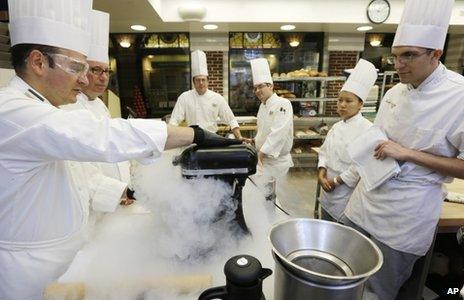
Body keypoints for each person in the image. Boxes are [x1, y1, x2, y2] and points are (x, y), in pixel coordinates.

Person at [0, 1, 239, 298]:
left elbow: (79, 176)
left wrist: (127, 192)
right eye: (77, 68)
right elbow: (101, 136)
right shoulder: (11, 111)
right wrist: (195, 133)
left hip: (70, 261)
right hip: (30, 275)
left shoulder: (45, 108)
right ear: (38, 62)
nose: (86, 79)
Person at [342, 0, 464, 299]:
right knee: (342, 276)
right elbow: (378, 140)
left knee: (374, 292)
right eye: (395, 56)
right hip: (364, 204)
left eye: (408, 55)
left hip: (404, 219)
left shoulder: (459, 96)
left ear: (436, 54)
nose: (398, 65)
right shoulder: (395, 92)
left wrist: (408, 153)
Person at [61, 10, 134, 209]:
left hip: (114, 203)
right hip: (93, 208)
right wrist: (119, 191)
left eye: (106, 71)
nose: (103, 77)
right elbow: (79, 171)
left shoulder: (100, 103)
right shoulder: (68, 107)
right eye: (96, 70)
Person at [317, 59, 376, 222]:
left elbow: (360, 166)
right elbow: (324, 153)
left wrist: (335, 181)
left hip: (346, 195)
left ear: (360, 104)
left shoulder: (367, 129)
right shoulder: (336, 126)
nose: (342, 105)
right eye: (339, 100)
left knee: (341, 238)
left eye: (348, 101)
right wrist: (321, 175)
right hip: (327, 191)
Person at [169, 50, 243, 139]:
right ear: (193, 82)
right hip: (192, 138)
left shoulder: (217, 98)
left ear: (208, 81)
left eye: (203, 80)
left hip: (212, 137)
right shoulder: (184, 97)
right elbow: (174, 120)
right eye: (198, 80)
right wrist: (169, 136)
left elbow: (231, 120)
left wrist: (239, 138)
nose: (201, 83)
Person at [250, 58, 294, 202]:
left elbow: (278, 133)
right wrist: (253, 141)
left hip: (277, 163)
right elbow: (264, 132)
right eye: (255, 88)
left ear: (271, 86)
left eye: (260, 87)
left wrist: (261, 154)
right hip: (264, 160)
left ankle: (277, 224)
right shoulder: (262, 106)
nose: (257, 91)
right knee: (264, 198)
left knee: (276, 200)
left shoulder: (283, 104)